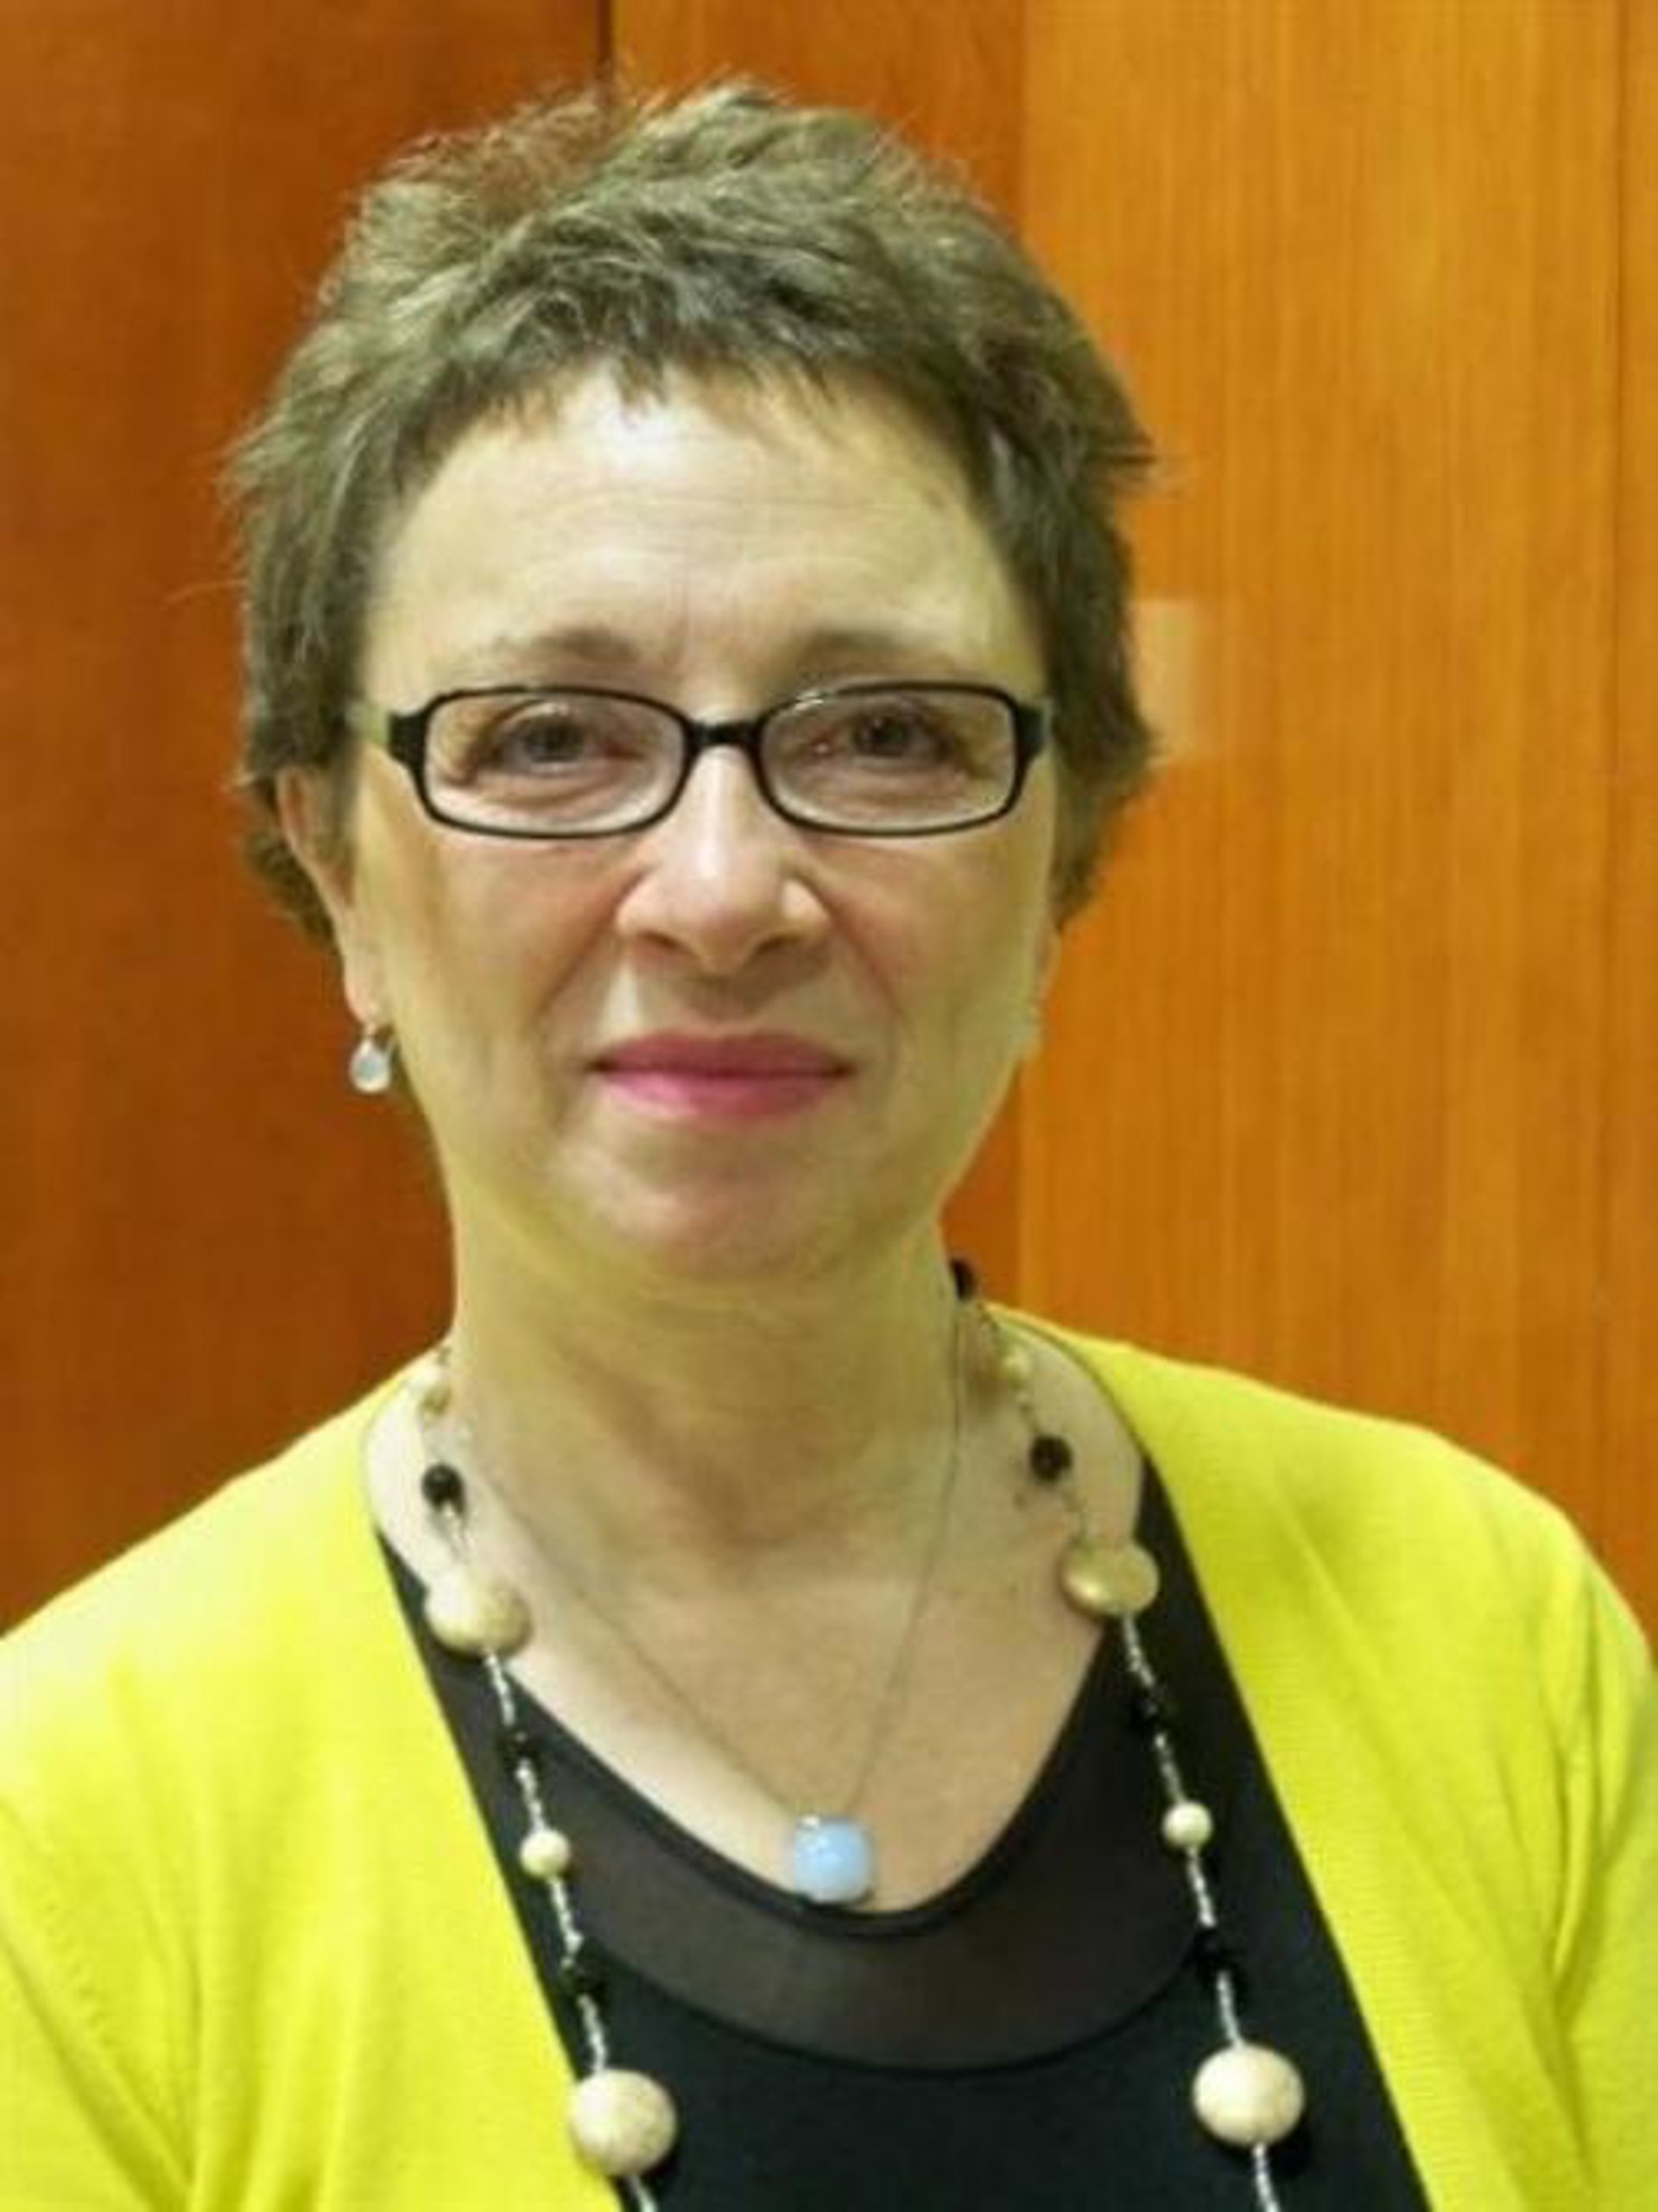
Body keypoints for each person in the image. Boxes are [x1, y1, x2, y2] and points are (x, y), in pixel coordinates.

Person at [2, 82, 1652, 2212]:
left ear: (1065, 848)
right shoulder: (67, 1843)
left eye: (883, 733)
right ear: (339, 873)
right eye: (549, 737)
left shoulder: (1484, 1628)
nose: (721, 893)